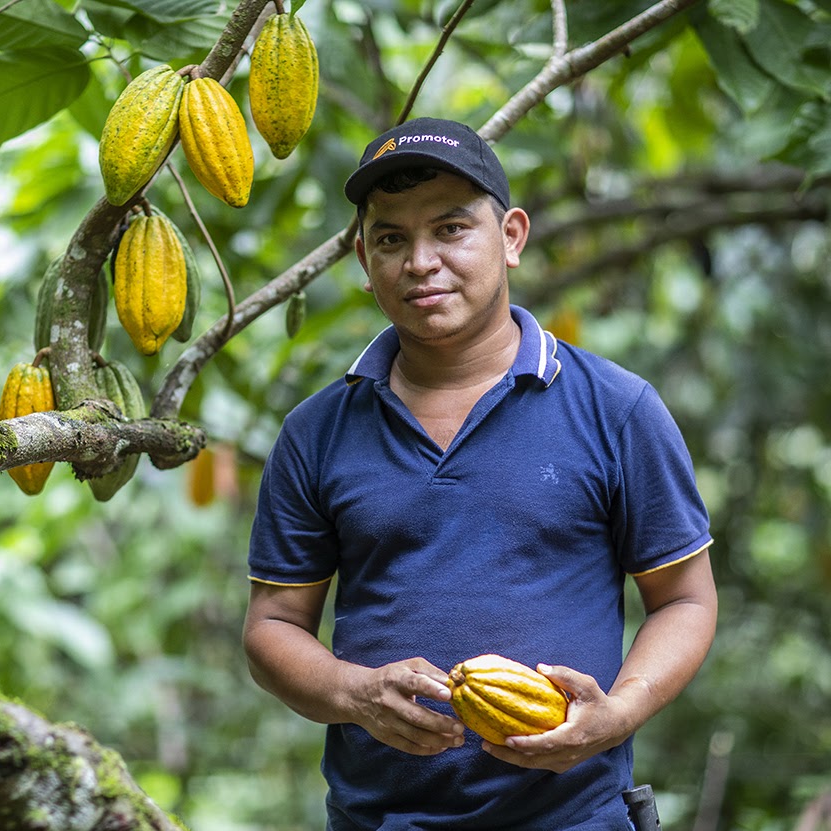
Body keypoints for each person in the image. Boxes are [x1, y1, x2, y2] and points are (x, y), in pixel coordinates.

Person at [242, 117, 719, 830]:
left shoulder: (615, 408)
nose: (420, 261)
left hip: (574, 819)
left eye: (451, 229)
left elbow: (684, 600)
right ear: (364, 260)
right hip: (379, 820)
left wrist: (618, 713)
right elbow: (273, 625)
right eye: (391, 239)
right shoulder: (317, 431)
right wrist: (353, 693)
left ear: (511, 236)